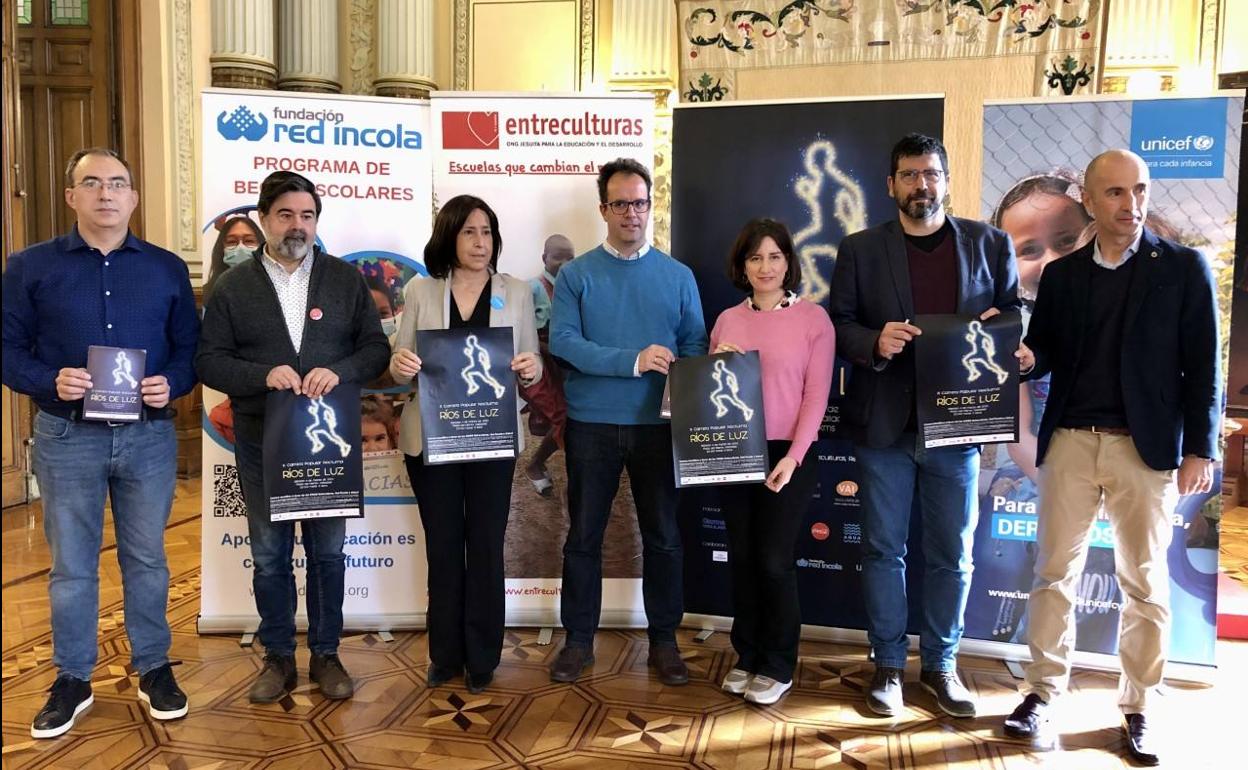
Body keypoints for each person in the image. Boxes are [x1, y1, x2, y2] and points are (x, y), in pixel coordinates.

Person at [1005, 150, 1220, 767]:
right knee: (1053, 576)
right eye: (1117, 194)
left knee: (1145, 586)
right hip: (1071, 441)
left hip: (1144, 449)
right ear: (1092, 202)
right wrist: (1026, 359)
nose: (1132, 204)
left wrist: (1200, 446)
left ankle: (1139, 708)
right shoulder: (1066, 276)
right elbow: (1044, 349)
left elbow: (1204, 366)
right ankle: (1043, 693)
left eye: (1140, 191)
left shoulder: (1183, 269)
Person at [2, 147, 199, 737]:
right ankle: (72, 678)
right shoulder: (29, 267)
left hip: (148, 438)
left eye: (118, 184)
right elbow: (7, 349)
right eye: (92, 183)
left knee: (148, 559)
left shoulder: (165, 268)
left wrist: (175, 383)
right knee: (71, 567)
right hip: (68, 436)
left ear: (134, 197)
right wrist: (46, 379)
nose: (106, 194)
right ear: (72, 197)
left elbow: (190, 351)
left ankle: (154, 667)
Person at [829, 133, 1021, 718]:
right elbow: (837, 324)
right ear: (891, 185)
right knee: (884, 552)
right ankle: (887, 664)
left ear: (946, 179)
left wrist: (1001, 322)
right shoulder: (860, 250)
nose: (922, 185)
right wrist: (873, 340)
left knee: (952, 555)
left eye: (931, 173)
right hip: (885, 427)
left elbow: (1016, 310)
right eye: (910, 175)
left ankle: (941, 666)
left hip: (957, 429)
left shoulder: (990, 243)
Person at [195, 171, 390, 704]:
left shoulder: (345, 281)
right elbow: (209, 362)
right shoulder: (232, 288)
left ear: (317, 221)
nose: (297, 226)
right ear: (263, 220)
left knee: (328, 553)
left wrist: (341, 370)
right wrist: (262, 375)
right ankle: (278, 658)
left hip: (328, 447)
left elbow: (375, 351)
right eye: (285, 215)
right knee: (269, 555)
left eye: (307, 215)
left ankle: (326, 655)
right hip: (262, 443)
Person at [548, 158, 708, 685]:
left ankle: (664, 640)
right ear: (604, 210)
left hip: (658, 428)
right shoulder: (575, 275)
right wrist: (633, 360)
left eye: (640, 202)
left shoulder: (678, 276)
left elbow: (694, 349)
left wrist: (683, 371)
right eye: (621, 204)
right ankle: (577, 641)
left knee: (663, 538)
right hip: (592, 424)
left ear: (649, 207)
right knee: (583, 538)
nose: (632, 213)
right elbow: (566, 344)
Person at [389, 195, 541, 694]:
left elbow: (531, 361)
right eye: (471, 232)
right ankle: (444, 653)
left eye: (488, 233)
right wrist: (402, 365)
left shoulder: (515, 291)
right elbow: (399, 360)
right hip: (433, 441)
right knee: (446, 546)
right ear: (450, 236)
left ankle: (482, 656)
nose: (481, 242)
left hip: (492, 439)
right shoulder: (421, 288)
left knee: (485, 546)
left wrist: (532, 369)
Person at [709, 218, 834, 705]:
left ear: (789, 262)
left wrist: (795, 458)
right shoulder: (727, 320)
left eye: (775, 256)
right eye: (755, 257)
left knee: (775, 560)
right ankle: (748, 655)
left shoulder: (812, 320)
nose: (765, 266)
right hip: (734, 448)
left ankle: (779, 664)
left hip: (790, 453)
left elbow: (817, 395)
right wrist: (718, 360)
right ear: (742, 265)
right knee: (742, 557)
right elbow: (709, 392)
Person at [525, 234, 574, 495]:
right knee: (561, 415)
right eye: (558, 257)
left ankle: (536, 464)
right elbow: (521, 329)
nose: (565, 263)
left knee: (568, 414)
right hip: (540, 360)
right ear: (545, 258)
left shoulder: (576, 285)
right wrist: (546, 350)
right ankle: (536, 465)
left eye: (571, 257)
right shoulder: (532, 287)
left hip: (566, 360)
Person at [203, 215, 263, 302]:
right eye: (232, 242)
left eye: (249, 241)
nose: (240, 248)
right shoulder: (208, 294)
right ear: (222, 249)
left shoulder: (276, 290)